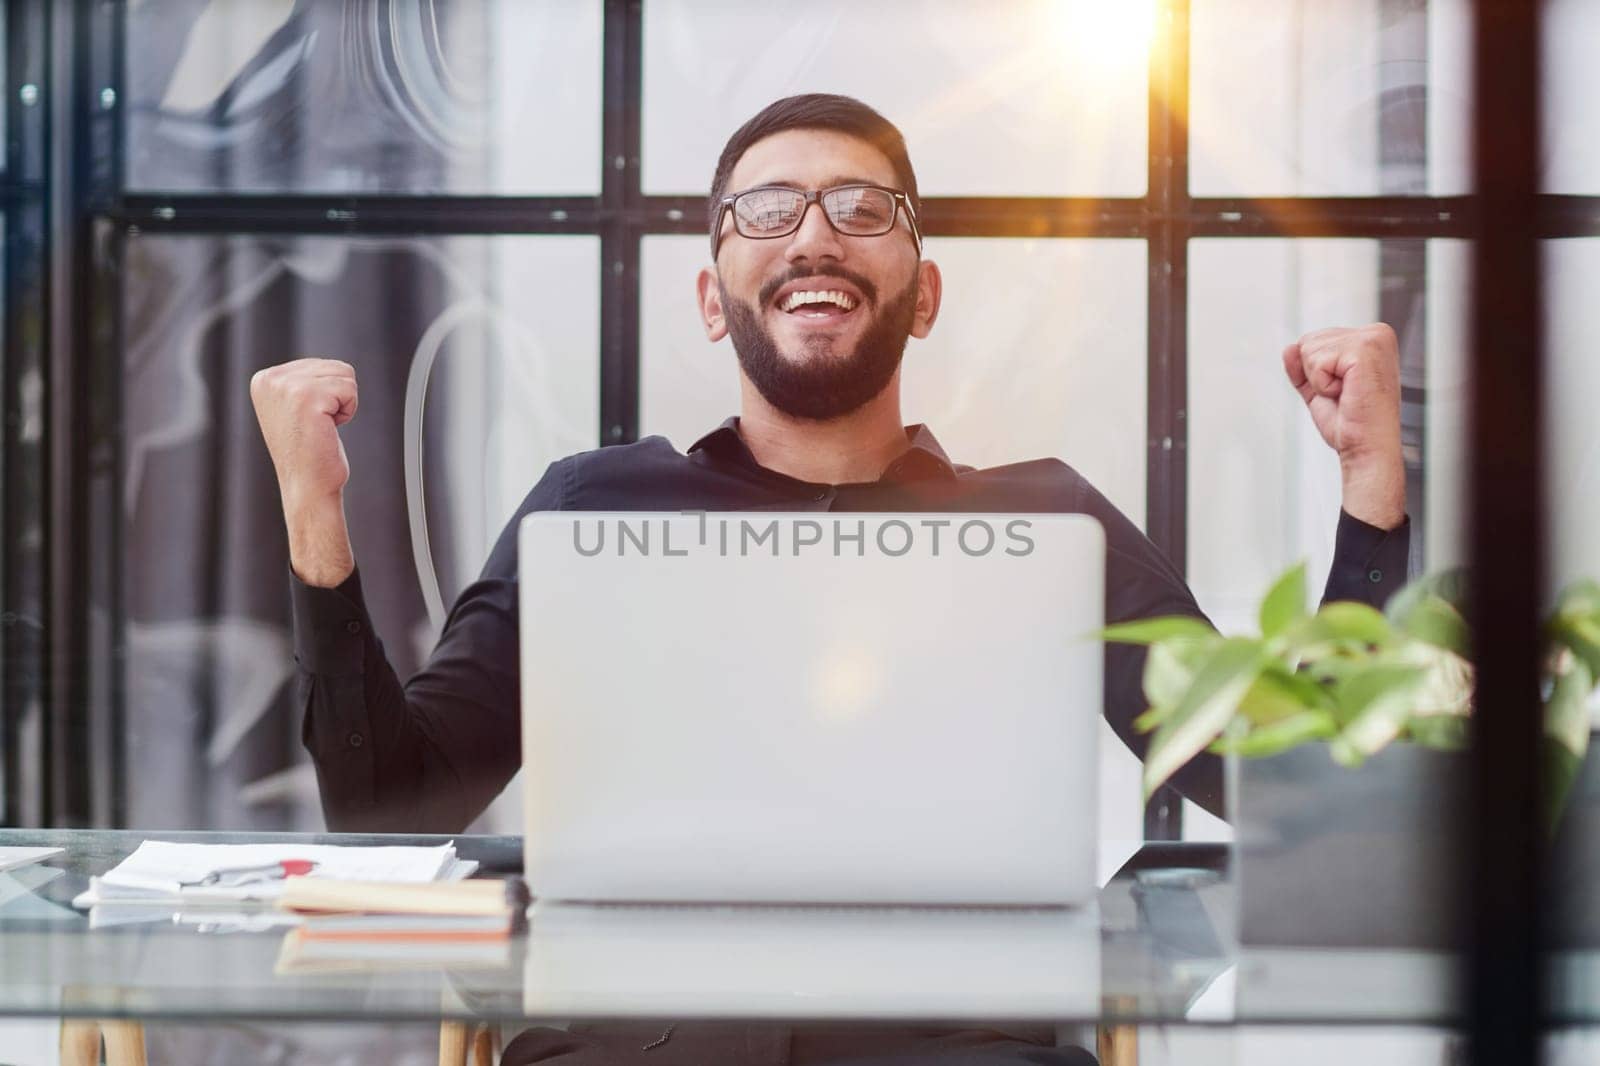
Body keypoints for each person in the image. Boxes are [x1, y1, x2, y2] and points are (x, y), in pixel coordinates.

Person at [250, 94, 1409, 1062]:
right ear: (713, 298)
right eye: (767, 209)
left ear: (924, 292)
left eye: (862, 209)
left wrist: (1370, 495)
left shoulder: (1048, 523)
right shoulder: (589, 507)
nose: (814, 235)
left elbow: (1285, 792)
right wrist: (314, 508)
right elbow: (390, 808)